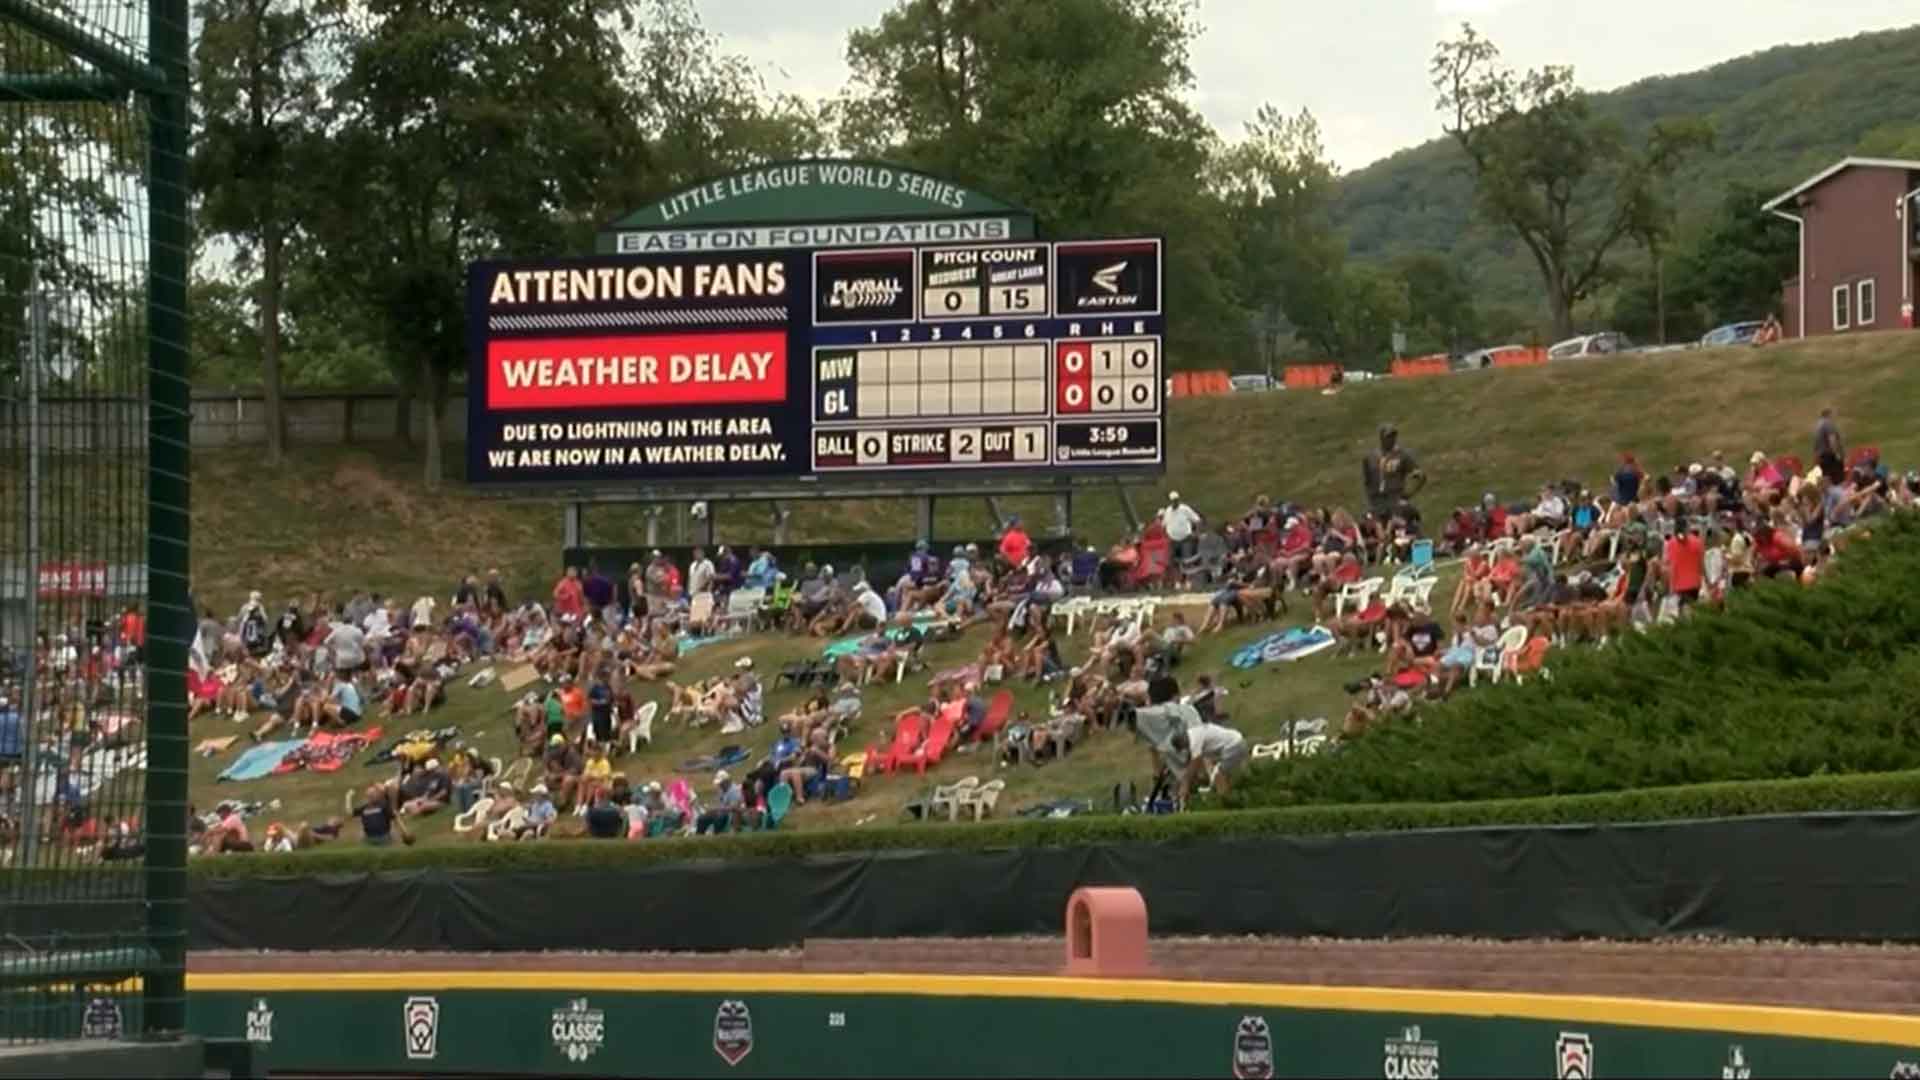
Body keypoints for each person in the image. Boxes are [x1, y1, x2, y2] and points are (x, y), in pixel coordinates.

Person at [1165, 721, 1249, 800]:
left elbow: (1195, 762)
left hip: (1234, 745)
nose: (1185, 749)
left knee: (1219, 775)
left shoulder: (1194, 739)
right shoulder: (1194, 733)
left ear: (1182, 742)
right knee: (1223, 776)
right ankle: (1230, 798)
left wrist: (1185, 784)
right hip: (1236, 742)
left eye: (1183, 748)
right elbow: (1202, 760)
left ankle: (1224, 803)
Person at [1362, 423, 1426, 518]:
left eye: (1393, 436)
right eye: (1388, 436)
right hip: (1376, 502)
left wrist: (1408, 494)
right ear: (1382, 438)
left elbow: (1421, 476)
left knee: (1400, 527)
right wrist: (1370, 497)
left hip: (1395, 499)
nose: (1392, 439)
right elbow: (1367, 480)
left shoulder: (1402, 455)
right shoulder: (1370, 457)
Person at [1158, 492, 1203, 562]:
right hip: (1173, 541)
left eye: (1176, 500)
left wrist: (1197, 533)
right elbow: (1163, 525)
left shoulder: (1185, 509)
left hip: (1186, 539)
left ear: (1178, 500)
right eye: (1173, 501)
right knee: (1169, 560)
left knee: (1187, 560)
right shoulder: (1168, 511)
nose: (1175, 502)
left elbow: (1197, 520)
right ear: (1170, 501)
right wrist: (1165, 537)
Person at [1813, 407, 1845, 486]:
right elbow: (1832, 439)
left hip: (1822, 457)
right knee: (1837, 480)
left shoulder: (1818, 425)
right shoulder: (1828, 424)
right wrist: (1837, 453)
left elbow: (1816, 445)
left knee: (1827, 480)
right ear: (1829, 414)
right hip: (1830, 456)